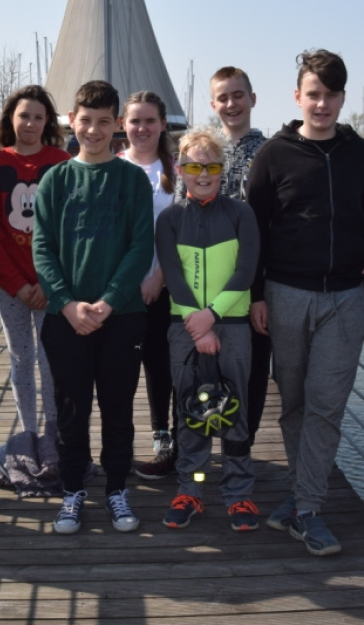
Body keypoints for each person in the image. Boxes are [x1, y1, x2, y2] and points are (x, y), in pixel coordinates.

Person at [246, 49, 364, 557]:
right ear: (297, 97)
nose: (321, 104)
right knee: (295, 404)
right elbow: (255, 230)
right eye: (313, 94)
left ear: (343, 98)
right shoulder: (273, 155)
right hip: (286, 294)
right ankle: (300, 494)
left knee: (326, 404)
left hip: (345, 298)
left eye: (330, 95)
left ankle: (307, 508)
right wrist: (256, 295)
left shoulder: (358, 153)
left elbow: (363, 211)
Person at [32, 80, 153, 535]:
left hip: (121, 317)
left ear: (117, 123)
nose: (94, 130)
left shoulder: (132, 179)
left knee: (118, 409)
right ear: (71, 120)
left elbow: (140, 248)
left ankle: (117, 488)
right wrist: (66, 304)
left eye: (105, 122)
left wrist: (108, 301)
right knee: (71, 410)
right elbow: (42, 249)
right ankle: (72, 490)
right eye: (86, 121)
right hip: (65, 320)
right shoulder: (56, 179)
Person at [156, 128, 261, 532]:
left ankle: (238, 493)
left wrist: (212, 317)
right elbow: (173, 277)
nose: (203, 175)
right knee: (192, 411)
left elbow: (245, 271)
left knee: (235, 412)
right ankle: (193, 489)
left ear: (222, 169)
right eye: (194, 167)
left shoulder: (240, 214)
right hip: (185, 325)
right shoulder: (170, 219)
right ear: (179, 169)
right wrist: (199, 329)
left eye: (212, 167)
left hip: (231, 324)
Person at [0, 86, 70, 437]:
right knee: (20, 357)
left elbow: (69, 229)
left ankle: (53, 433)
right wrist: (17, 284)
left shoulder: (61, 162)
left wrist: (48, 282)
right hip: (9, 284)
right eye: (23, 116)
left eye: (38, 117)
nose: (30, 123)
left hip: (51, 284)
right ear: (10, 119)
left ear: (47, 122)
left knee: (51, 359)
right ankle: (29, 431)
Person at [207, 67, 272, 446]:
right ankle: (201, 446)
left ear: (252, 99)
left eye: (238, 95)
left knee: (252, 367)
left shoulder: (270, 152)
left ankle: (242, 444)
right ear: (213, 104)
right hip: (209, 281)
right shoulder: (206, 151)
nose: (231, 104)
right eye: (223, 97)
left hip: (253, 282)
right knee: (207, 366)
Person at [118, 91, 178, 481]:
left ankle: (162, 436)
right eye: (135, 121)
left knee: (160, 366)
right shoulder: (113, 168)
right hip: (122, 291)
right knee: (120, 369)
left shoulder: (176, 172)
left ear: (162, 125)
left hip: (164, 286)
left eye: (150, 121)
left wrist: (160, 277)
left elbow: (185, 233)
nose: (142, 128)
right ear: (123, 124)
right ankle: (120, 440)